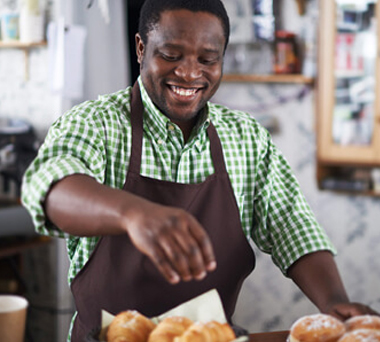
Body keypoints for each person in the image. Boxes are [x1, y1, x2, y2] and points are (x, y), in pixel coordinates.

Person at [21, 0, 378, 341]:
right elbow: (50, 188)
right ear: (141, 48)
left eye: (208, 59)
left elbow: (291, 226)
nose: (190, 73)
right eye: (171, 55)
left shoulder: (246, 138)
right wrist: (131, 213)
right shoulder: (95, 124)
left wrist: (333, 301)